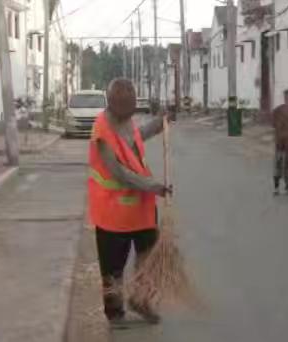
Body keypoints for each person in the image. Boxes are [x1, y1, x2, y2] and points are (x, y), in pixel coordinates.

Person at [88, 78, 170, 326]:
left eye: (131, 106)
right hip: (112, 213)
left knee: (148, 259)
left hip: (141, 209)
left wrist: (159, 124)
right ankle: (114, 313)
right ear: (112, 104)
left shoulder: (125, 121)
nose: (128, 112)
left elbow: (135, 136)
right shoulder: (102, 130)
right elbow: (119, 174)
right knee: (113, 269)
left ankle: (141, 301)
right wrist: (154, 186)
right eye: (124, 106)